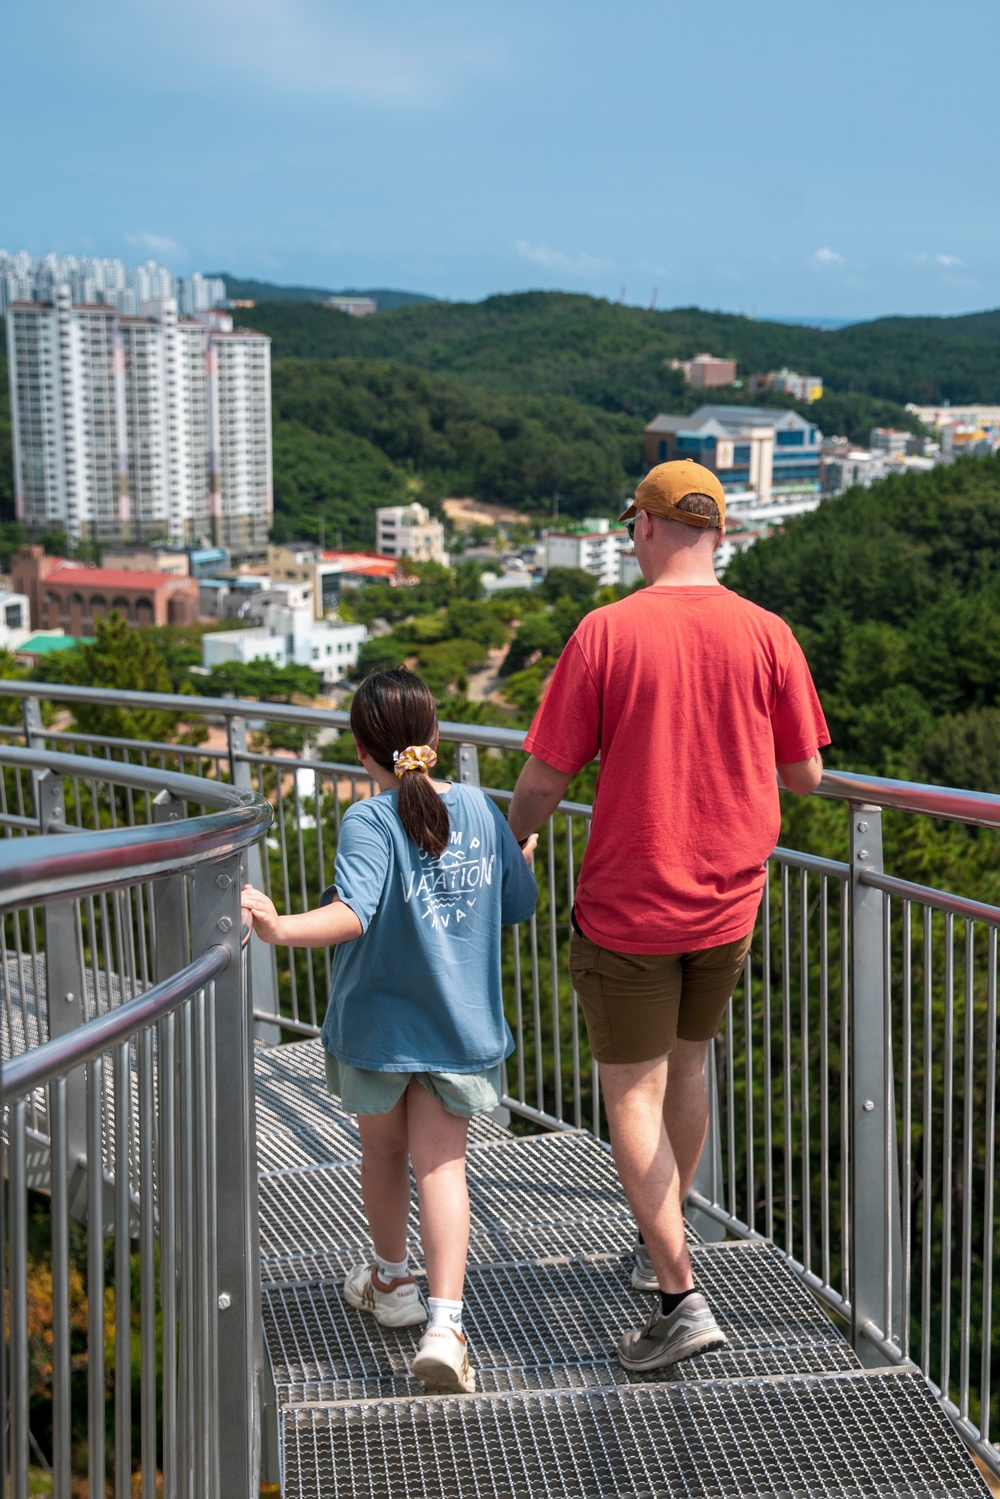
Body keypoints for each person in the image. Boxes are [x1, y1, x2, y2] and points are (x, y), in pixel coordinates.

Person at [507, 459, 830, 1372]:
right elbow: (804, 773)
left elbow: (545, 775)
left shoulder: (606, 632)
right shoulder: (768, 632)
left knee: (631, 1092)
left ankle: (680, 1293)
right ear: (720, 532)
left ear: (644, 527)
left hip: (631, 903)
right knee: (687, 1066)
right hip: (730, 899)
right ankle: (665, 1246)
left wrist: (513, 844)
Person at [242, 667, 537, 1394]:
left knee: (383, 1153)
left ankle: (391, 1278)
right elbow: (516, 905)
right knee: (443, 1168)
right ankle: (445, 1326)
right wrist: (512, 858)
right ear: (434, 736)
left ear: (360, 749)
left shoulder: (367, 820)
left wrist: (279, 927)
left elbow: (356, 912)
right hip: (457, 1025)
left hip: (378, 1024)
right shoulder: (476, 806)